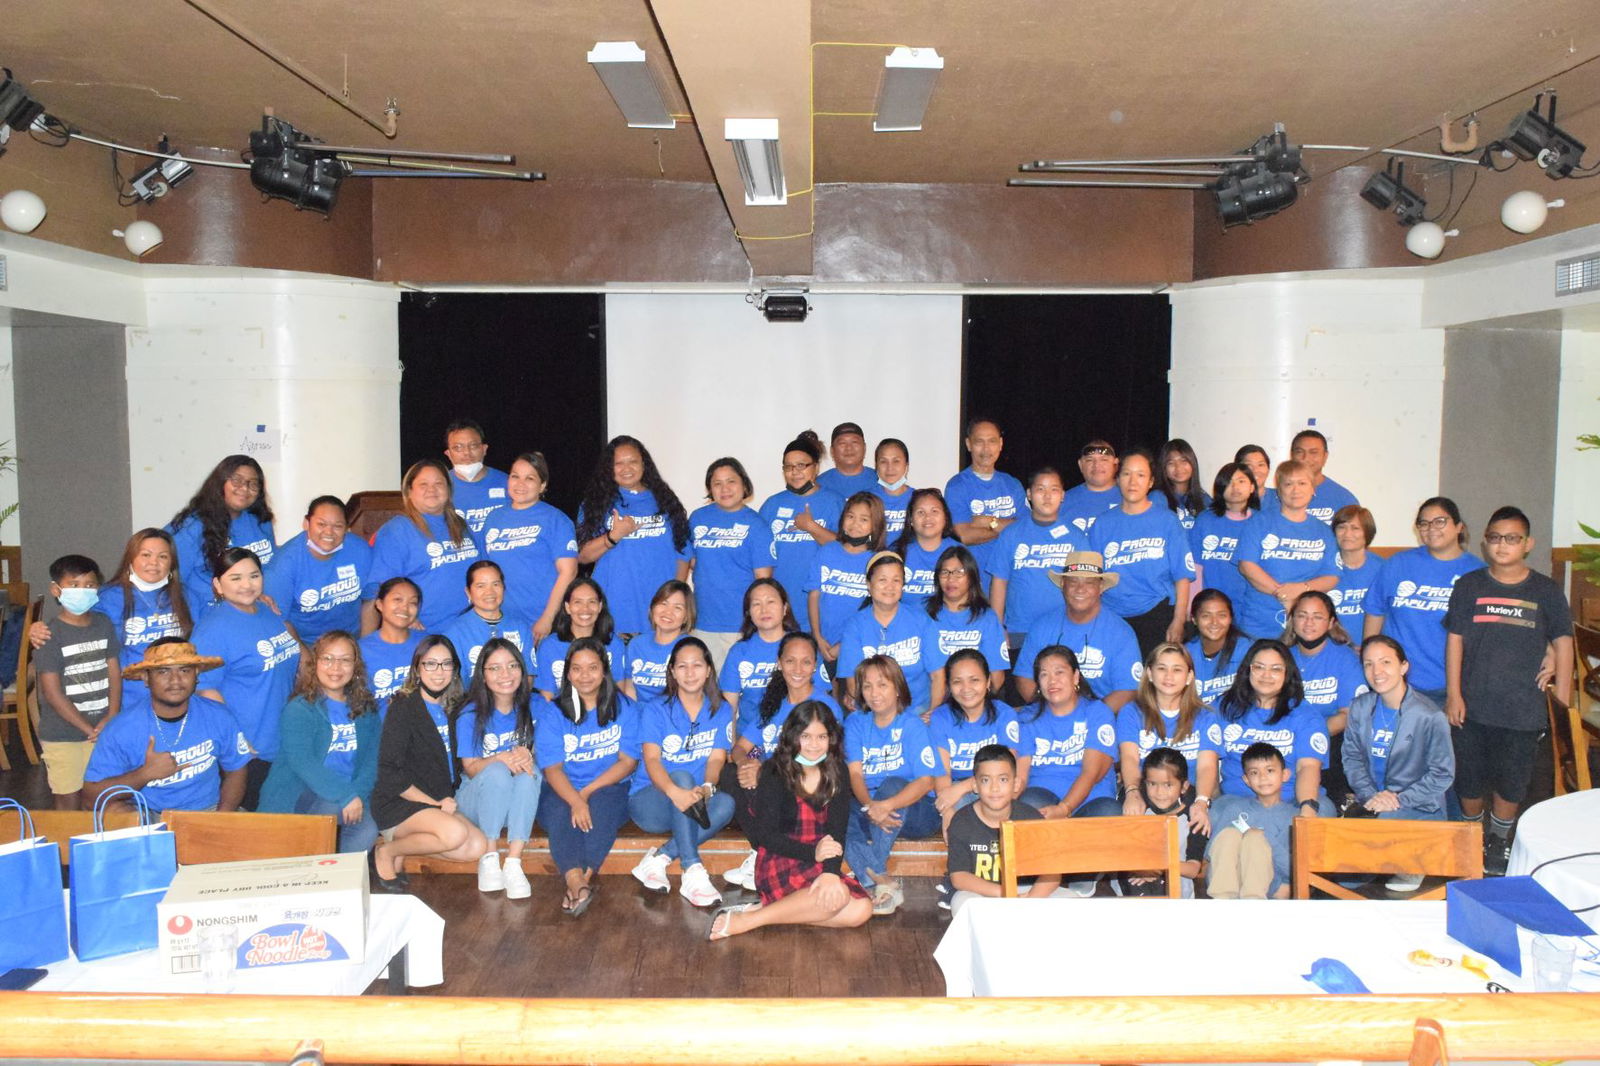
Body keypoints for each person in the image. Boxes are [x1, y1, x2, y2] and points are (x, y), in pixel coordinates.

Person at [1444, 505, 1573, 876]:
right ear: (1485, 542)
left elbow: (1563, 643)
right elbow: (1455, 641)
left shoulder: (1545, 590)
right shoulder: (1469, 585)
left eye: (1512, 538)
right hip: (1472, 705)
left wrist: (1560, 704)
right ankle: (1472, 833)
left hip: (1522, 711)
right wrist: (1454, 694)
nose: (1503, 545)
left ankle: (1499, 841)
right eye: (1496, 538)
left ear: (1527, 544)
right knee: (1467, 777)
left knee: (1512, 781)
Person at [708, 700, 873, 940]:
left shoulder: (839, 771)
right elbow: (766, 837)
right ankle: (746, 921)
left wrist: (829, 872)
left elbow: (837, 832)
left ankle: (765, 912)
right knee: (838, 900)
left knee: (862, 910)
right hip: (782, 857)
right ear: (793, 736)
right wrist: (813, 853)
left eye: (821, 737)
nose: (814, 745)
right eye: (806, 737)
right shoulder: (776, 770)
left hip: (820, 856)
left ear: (831, 738)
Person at [720, 630, 840, 892]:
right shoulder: (773, 703)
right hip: (770, 786)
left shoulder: (823, 705)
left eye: (806, 662)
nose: (797, 669)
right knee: (728, 773)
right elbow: (740, 747)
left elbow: (828, 761)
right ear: (779, 663)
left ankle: (768, 851)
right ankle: (760, 850)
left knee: (771, 780)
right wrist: (745, 764)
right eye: (790, 661)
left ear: (815, 666)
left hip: (806, 789)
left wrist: (765, 770)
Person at [370, 635, 490, 893]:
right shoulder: (403, 707)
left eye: (446, 664)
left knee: (476, 847)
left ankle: (407, 846)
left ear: (455, 670)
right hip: (400, 801)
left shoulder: (455, 707)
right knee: (455, 835)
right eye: (430, 664)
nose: (439, 671)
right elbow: (390, 772)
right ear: (417, 668)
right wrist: (434, 803)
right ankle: (386, 851)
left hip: (436, 802)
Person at [535, 637, 641, 916]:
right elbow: (552, 769)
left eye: (592, 668)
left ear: (604, 671)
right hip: (561, 786)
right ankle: (577, 883)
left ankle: (581, 881)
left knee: (602, 808)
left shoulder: (625, 707)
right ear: (568, 673)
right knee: (560, 811)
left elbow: (628, 762)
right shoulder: (554, 712)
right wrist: (574, 799)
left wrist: (585, 795)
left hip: (609, 785)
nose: (585, 676)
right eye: (577, 668)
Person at [191, 547, 302, 809]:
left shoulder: (267, 611)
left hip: (282, 739)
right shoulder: (212, 629)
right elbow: (206, 691)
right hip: (251, 750)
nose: (247, 585)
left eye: (254, 576)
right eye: (235, 578)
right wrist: (237, 740)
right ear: (218, 585)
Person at [628, 637, 736, 907]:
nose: (690, 673)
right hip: (652, 799)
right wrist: (675, 792)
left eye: (697, 665)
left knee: (726, 803)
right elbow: (652, 760)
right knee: (682, 777)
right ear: (672, 672)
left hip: (692, 800)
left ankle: (660, 858)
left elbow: (716, 759)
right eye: (682, 666)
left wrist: (709, 787)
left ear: (709, 669)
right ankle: (692, 870)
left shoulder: (721, 708)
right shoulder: (656, 709)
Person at [84, 639, 248, 813]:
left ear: (197, 674)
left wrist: (221, 818)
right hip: (148, 815)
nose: (175, 680)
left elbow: (236, 770)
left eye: (184, 670)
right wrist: (144, 774)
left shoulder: (218, 715)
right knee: (113, 811)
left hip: (208, 810)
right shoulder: (122, 728)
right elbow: (90, 796)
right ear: (146, 678)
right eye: (163, 672)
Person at [1345, 635, 1455, 888]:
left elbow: (1442, 774)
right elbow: (1352, 758)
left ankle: (1416, 856)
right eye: (1369, 664)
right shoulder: (1360, 708)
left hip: (1419, 808)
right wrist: (1371, 797)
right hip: (1372, 804)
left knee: (1370, 847)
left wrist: (1397, 800)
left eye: (1385, 662)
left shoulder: (1429, 715)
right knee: (1345, 878)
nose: (1377, 671)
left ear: (1403, 667)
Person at [258, 630, 380, 853]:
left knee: (368, 829)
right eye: (328, 659)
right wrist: (345, 796)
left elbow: (371, 761)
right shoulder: (300, 708)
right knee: (330, 810)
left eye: (345, 660)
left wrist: (357, 795)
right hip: (302, 793)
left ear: (356, 667)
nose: (336, 668)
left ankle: (340, 879)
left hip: (348, 792)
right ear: (315, 663)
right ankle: (311, 874)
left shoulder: (366, 710)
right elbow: (303, 762)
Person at [843, 655, 939, 914]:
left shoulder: (913, 724)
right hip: (872, 809)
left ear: (897, 687)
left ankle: (872, 872)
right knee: (838, 808)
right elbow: (855, 776)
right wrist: (871, 806)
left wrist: (886, 805)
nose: (874, 693)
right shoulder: (855, 723)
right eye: (867, 686)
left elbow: (925, 781)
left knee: (893, 783)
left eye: (882, 684)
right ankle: (882, 881)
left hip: (916, 811)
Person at [1365, 497, 1484, 702]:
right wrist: (1369, 664)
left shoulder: (1477, 572)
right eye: (1424, 523)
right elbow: (1375, 611)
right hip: (1398, 685)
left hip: (1450, 689)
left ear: (1458, 527)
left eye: (1440, 521)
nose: (1431, 528)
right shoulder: (1398, 564)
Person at [455, 637, 545, 900]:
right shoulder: (470, 713)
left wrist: (528, 756)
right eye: (494, 668)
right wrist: (502, 758)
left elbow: (549, 753)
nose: (505, 674)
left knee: (530, 774)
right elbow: (471, 769)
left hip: (518, 803)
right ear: (482, 675)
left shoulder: (537, 705)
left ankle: (514, 864)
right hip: (477, 802)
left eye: (512, 666)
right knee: (495, 771)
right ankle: (490, 855)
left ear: (522, 669)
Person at [575, 435, 692, 636]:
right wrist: (613, 536)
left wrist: (675, 601)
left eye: (632, 461)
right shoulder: (596, 503)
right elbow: (582, 555)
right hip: (614, 617)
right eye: (618, 463)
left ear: (644, 464)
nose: (626, 468)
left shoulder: (665, 501)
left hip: (661, 617)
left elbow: (683, 553)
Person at [1212, 639, 1333, 829]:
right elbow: (1206, 760)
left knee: (1320, 812)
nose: (1266, 675)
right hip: (1238, 800)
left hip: (1293, 799)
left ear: (1287, 674)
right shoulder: (1223, 708)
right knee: (1221, 811)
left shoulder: (1306, 715)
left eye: (1276, 669)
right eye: (1259, 667)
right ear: (1247, 670)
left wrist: (1307, 807)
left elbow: (1307, 767)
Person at [35, 554, 120, 809]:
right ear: (56, 589)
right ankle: (67, 845)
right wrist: (86, 728)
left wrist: (112, 715)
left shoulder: (103, 624)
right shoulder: (49, 635)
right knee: (68, 798)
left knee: (103, 794)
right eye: (74, 584)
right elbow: (51, 692)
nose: (82, 591)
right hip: (64, 734)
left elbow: (113, 671)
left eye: (90, 585)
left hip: (103, 728)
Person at [1090, 449, 1195, 654]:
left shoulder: (1167, 521)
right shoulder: (1102, 524)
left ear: (1150, 482)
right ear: (1118, 478)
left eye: (1140, 475)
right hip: (1114, 616)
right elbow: (1093, 578)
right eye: (1127, 474)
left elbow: (1182, 576)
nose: (1133, 481)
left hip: (1157, 615)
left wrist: (1179, 620)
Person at [1013, 551, 1141, 710]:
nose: (1080, 589)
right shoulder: (1041, 626)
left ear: (1101, 587)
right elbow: (1024, 677)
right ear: (1062, 585)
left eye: (1089, 583)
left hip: (1101, 717)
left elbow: (1127, 690)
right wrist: (1049, 713)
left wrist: (1090, 718)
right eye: (1073, 582)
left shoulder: (1121, 633)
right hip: (1049, 712)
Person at [365, 459, 482, 630]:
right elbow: (379, 589)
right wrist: (405, 618)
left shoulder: (460, 525)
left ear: (449, 491)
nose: (432, 489)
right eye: (423, 484)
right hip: (425, 635)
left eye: (439, 483)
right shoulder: (396, 531)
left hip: (468, 629)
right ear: (409, 491)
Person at [1014, 645, 1120, 831]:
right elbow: (1021, 776)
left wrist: (1064, 809)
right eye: (1044, 674)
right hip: (1043, 797)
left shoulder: (1098, 712)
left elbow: (1092, 773)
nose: (1052, 681)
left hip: (1091, 799)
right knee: (1028, 803)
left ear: (1075, 676)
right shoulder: (1027, 718)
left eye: (1059, 672)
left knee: (1109, 811)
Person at [1116, 643, 1219, 832]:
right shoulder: (1131, 712)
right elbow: (1129, 759)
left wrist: (1201, 802)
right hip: (1145, 789)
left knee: (1198, 822)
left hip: (1190, 792)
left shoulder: (1205, 716)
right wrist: (1132, 792)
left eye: (1177, 670)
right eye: (1161, 668)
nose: (1169, 676)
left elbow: (1207, 766)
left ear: (1189, 677)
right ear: (1149, 673)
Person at [945, 744, 1060, 913]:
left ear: (1016, 784)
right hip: (984, 893)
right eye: (985, 780)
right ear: (975, 786)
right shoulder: (961, 821)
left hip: (1027, 891)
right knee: (963, 904)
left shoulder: (1031, 818)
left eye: (1003, 779)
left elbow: (1052, 873)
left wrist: (1031, 899)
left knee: (1069, 901)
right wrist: (1005, 894)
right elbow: (959, 877)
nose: (995, 788)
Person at [478, 451, 578, 640]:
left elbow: (569, 572)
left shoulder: (556, 519)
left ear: (542, 485)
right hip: (502, 621)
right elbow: (485, 570)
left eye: (530, 478)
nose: (520, 484)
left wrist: (547, 619)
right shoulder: (494, 519)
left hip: (542, 622)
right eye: (515, 476)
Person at [86, 529, 192, 704]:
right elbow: (75, 628)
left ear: (172, 563)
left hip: (179, 695)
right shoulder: (106, 598)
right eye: (146, 555)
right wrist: (39, 630)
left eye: (163, 557)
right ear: (130, 559)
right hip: (127, 698)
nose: (154, 563)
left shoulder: (187, 595)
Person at [836, 551, 948, 716]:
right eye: (882, 580)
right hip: (872, 713)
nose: (890, 586)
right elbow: (853, 683)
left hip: (917, 713)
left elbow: (938, 676)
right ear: (869, 584)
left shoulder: (921, 621)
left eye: (896, 580)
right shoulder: (855, 626)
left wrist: (931, 714)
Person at [686, 457, 774, 665]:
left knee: (735, 689)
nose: (724, 488)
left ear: (744, 484)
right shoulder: (697, 518)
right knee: (706, 688)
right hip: (703, 622)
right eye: (717, 483)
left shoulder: (757, 525)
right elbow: (690, 561)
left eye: (731, 481)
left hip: (740, 625)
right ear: (710, 489)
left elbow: (763, 579)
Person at [1235, 460, 1338, 639]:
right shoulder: (1259, 523)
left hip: (1306, 628)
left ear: (1313, 489)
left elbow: (1332, 576)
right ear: (1279, 490)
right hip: (1259, 624)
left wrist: (1302, 589)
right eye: (1288, 484)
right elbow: (1247, 565)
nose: (1295, 490)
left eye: (1302, 483)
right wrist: (1283, 594)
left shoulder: (1323, 531)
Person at [988, 467, 1080, 661]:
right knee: (1020, 689)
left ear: (1062, 495)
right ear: (1029, 494)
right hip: (1019, 631)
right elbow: (999, 582)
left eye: (1054, 490)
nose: (1047, 496)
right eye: (1040, 489)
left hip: (1064, 629)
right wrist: (998, 627)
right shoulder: (1011, 534)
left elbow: (1087, 584)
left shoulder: (1075, 536)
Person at [167, 455, 276, 617]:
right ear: (220, 483)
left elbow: (268, 569)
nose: (245, 488)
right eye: (237, 481)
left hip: (253, 607)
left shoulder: (260, 520)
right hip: (210, 615)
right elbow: (171, 582)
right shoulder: (191, 528)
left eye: (253, 484)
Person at [1284, 590, 1364, 806]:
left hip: (1331, 738)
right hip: (1286, 737)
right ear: (1292, 620)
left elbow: (1348, 715)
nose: (1309, 623)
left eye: (1317, 617)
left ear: (1330, 623)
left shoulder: (1346, 658)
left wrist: (1309, 736)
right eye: (1302, 615)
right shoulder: (1281, 656)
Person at [759, 430, 843, 627]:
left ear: (815, 468)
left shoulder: (833, 502)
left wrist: (811, 527)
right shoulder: (772, 504)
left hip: (821, 603)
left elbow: (845, 548)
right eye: (788, 467)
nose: (795, 472)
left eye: (801, 466)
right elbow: (759, 554)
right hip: (781, 605)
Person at [930, 650, 1019, 831]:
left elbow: (1005, 770)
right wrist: (947, 812)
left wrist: (964, 787)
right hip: (951, 791)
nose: (966, 688)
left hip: (993, 787)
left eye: (974, 680)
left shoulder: (1005, 714)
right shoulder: (940, 717)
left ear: (987, 682)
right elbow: (941, 775)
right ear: (948, 686)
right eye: (957, 682)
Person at [264, 496, 372, 645]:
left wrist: (366, 647)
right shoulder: (284, 563)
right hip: (305, 644)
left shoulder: (360, 550)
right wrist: (307, 662)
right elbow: (279, 621)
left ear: (347, 528)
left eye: (338, 526)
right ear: (306, 523)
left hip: (351, 641)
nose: (329, 532)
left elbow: (371, 599)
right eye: (321, 524)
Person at [1205, 742, 1296, 900]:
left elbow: (1294, 870)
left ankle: (1252, 903)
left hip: (1267, 889)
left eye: (1270, 770)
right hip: (1228, 886)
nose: (1263, 777)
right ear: (1246, 779)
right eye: (1254, 773)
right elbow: (1210, 857)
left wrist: (1262, 836)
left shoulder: (1293, 817)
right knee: (1229, 834)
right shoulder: (1234, 809)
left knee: (1254, 838)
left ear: (1285, 774)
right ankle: (1222, 901)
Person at [805, 491, 884, 668]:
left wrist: (844, 645)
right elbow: (814, 595)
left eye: (864, 519)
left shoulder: (878, 560)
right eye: (850, 516)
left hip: (859, 644)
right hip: (822, 642)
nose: (855, 523)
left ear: (875, 524)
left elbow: (877, 611)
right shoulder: (827, 551)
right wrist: (817, 636)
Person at [943, 418, 1025, 580]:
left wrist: (988, 522)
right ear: (968, 444)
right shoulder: (957, 486)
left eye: (992, 441)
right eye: (979, 441)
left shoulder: (1012, 484)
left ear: (1000, 444)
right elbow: (964, 535)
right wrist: (1007, 527)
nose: (986, 448)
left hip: (1011, 578)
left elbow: (1024, 529)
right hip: (974, 579)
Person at [1120, 747, 1206, 898]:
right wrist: (1140, 868)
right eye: (1152, 784)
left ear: (1184, 786)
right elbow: (1118, 851)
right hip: (1135, 877)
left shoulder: (1195, 816)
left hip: (1176, 876)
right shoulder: (1136, 807)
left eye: (1168, 785)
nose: (1159, 793)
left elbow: (1193, 869)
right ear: (1144, 783)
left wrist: (1157, 868)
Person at [719, 578, 808, 721]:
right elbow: (728, 710)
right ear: (748, 613)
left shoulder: (803, 646)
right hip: (748, 738)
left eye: (770, 602)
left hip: (794, 735)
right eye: (756, 604)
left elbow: (819, 700)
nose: (764, 610)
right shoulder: (739, 652)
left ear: (785, 608)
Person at [927, 545, 1010, 691]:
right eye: (945, 572)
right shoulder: (923, 614)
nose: (951, 579)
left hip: (974, 697)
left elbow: (997, 677)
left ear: (971, 576)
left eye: (959, 572)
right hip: (933, 697)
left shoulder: (987, 617)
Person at [439, 560, 535, 684]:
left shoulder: (521, 627)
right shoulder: (454, 633)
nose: (489, 592)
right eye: (481, 586)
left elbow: (528, 677)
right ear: (468, 592)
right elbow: (455, 684)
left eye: (495, 584)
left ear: (503, 588)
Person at [533, 577, 627, 698]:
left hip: (603, 712)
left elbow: (618, 693)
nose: (585, 609)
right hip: (561, 714)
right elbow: (547, 698)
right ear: (567, 607)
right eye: (578, 602)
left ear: (600, 606)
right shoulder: (549, 646)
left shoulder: (614, 644)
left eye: (591, 602)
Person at [1189, 461, 1258, 615]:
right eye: (1229, 482)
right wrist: (1191, 605)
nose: (1235, 487)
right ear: (1220, 488)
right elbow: (1195, 566)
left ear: (1252, 487)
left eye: (1241, 481)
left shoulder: (1261, 522)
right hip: (1210, 606)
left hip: (1249, 607)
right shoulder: (1205, 520)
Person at [359, 577, 424, 716]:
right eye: (397, 600)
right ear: (379, 604)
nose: (405, 607)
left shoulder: (428, 644)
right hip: (381, 732)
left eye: (412, 602)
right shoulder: (360, 651)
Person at [622, 579, 694, 700]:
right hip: (639, 714)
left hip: (673, 716)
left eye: (677, 608)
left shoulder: (690, 648)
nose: (668, 612)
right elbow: (629, 686)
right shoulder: (636, 644)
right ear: (653, 607)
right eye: (663, 604)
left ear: (686, 617)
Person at [891, 488, 961, 599]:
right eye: (921, 512)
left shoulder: (960, 553)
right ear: (911, 520)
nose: (928, 517)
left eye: (934, 511)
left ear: (945, 518)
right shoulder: (896, 553)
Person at [444, 418, 509, 536]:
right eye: (458, 447)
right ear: (448, 453)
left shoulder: (508, 483)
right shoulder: (440, 486)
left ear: (484, 449)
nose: (466, 453)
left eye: (473, 446)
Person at [1185, 588, 1249, 706]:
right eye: (1206, 616)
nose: (1214, 622)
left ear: (1230, 618)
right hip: (1198, 721)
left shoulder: (1247, 651)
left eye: (1222, 615)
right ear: (1194, 619)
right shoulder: (1184, 654)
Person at [1285, 429, 1359, 524]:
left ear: (1325, 456)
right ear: (1291, 455)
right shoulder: (1278, 496)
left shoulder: (1343, 499)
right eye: (1299, 452)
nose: (1306, 458)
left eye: (1313, 452)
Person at [1331, 504, 1382, 630]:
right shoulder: (1324, 568)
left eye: (1355, 528)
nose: (1347, 534)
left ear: (1367, 533)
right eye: (1341, 527)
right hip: (1334, 645)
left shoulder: (1383, 568)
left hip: (1373, 645)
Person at [1060, 440, 1121, 536]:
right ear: (1080, 465)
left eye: (1104, 460)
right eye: (1090, 460)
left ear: (1115, 463)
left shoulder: (1129, 498)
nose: (1096, 465)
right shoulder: (1062, 501)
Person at [1155, 438, 1209, 531]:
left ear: (1192, 463)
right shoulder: (1157, 498)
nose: (1178, 467)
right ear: (1164, 468)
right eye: (1171, 463)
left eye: (1184, 461)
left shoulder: (1204, 499)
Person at [816, 421, 877, 499]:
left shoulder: (879, 480)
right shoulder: (819, 484)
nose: (849, 448)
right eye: (842, 443)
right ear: (832, 451)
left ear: (864, 448)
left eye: (855, 442)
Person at [870, 438, 915, 540]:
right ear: (876, 466)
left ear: (906, 465)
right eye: (883, 461)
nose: (890, 468)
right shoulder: (865, 500)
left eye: (896, 461)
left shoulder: (918, 499)